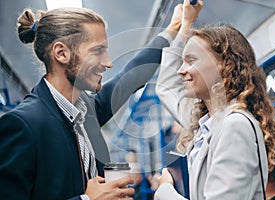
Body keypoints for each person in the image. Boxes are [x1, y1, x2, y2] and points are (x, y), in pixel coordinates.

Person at [0, 5, 182, 200]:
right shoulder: (22, 125)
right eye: (98, 51)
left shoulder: (87, 111)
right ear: (61, 53)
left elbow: (130, 77)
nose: (108, 62)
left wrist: (174, 28)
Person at [154, 0, 275, 199]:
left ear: (224, 65)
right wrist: (185, 25)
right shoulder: (206, 123)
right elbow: (165, 87)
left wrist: (164, 192)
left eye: (191, 60)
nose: (180, 70)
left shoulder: (234, 126)